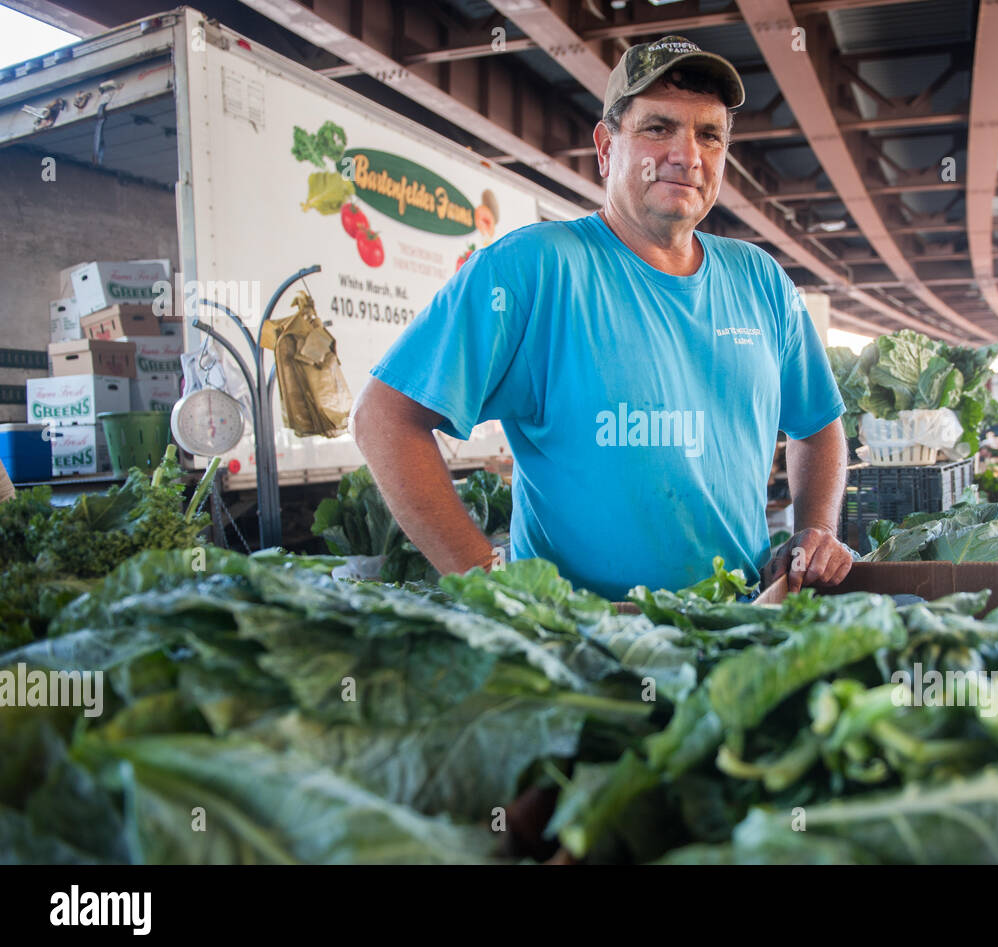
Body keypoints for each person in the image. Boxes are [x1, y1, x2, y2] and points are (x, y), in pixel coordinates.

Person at [350, 35, 851, 599]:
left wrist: (817, 529)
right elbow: (384, 417)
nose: (688, 155)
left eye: (709, 134)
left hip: (741, 627)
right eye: (658, 128)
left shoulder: (760, 280)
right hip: (585, 648)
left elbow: (818, 424)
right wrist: (490, 585)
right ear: (606, 147)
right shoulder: (532, 269)